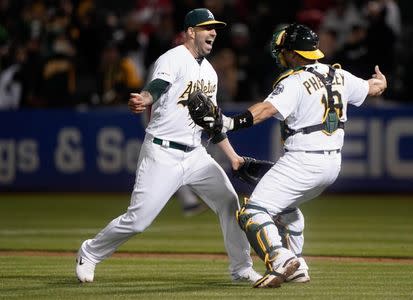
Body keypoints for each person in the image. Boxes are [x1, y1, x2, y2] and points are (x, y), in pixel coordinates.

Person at [75, 8, 261, 284]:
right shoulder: (172, 59)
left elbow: (211, 121)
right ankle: (89, 252)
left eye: (215, 28)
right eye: (206, 27)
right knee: (139, 220)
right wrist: (146, 98)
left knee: (229, 201)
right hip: (163, 152)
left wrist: (232, 157)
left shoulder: (210, 73)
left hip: (196, 154)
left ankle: (241, 269)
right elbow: (157, 86)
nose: (213, 32)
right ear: (190, 32)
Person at [216, 23, 387, 288]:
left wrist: (230, 123)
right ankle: (298, 267)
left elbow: (265, 110)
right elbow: (373, 88)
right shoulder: (339, 75)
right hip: (331, 164)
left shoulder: (294, 81)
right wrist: (381, 82)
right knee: (288, 211)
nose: (281, 56)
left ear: (295, 54)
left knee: (252, 212)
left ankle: (280, 258)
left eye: (284, 51)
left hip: (303, 159)